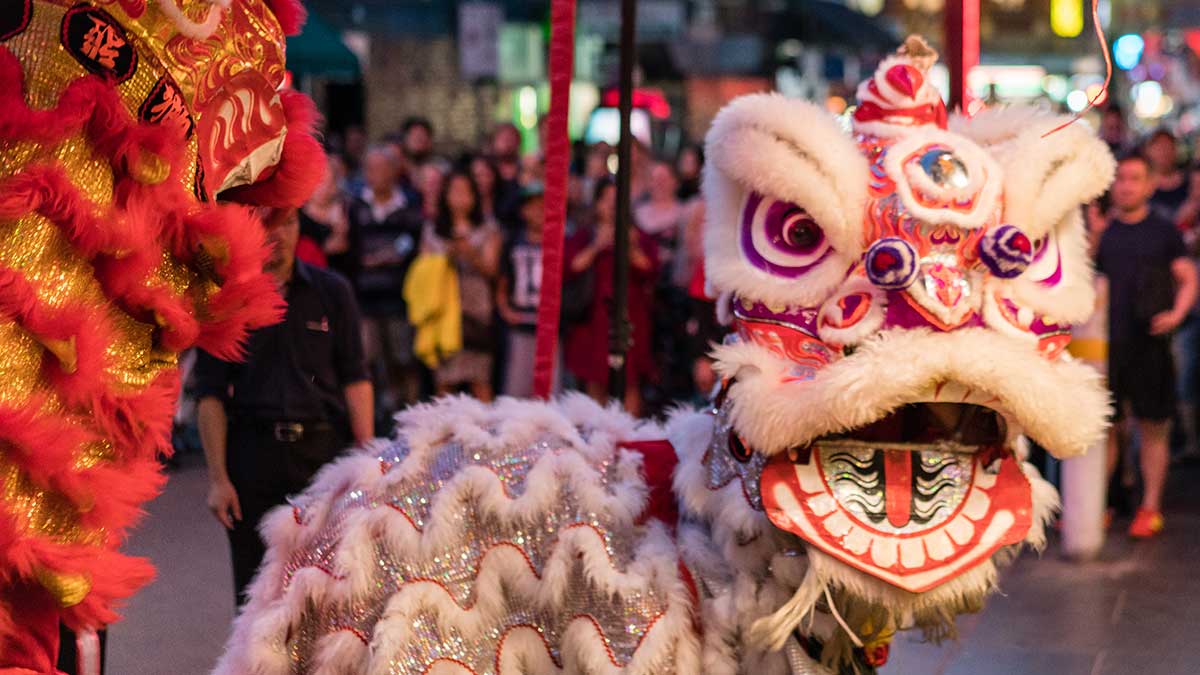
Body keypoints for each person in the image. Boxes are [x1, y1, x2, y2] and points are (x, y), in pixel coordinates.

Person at [197, 206, 373, 605]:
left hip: (321, 455)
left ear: (300, 227)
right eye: (267, 223)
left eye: (288, 222)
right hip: (252, 456)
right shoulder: (227, 298)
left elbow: (356, 377)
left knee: (322, 588)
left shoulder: (333, 292)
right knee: (254, 592)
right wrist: (218, 479)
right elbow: (210, 395)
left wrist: (365, 457)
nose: (279, 233)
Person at [1094, 152, 1199, 538]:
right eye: (1120, 178)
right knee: (1106, 428)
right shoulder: (1104, 231)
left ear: (1150, 184)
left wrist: (1176, 314)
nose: (1126, 185)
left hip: (1149, 343)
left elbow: (1188, 278)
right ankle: (1100, 504)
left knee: (1153, 427)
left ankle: (1150, 506)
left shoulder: (1164, 231)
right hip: (1107, 346)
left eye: (1135, 178)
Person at [564, 179, 658, 416]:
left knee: (630, 381)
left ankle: (629, 437)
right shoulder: (585, 235)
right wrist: (597, 245)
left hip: (629, 317)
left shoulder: (637, 236)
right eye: (606, 199)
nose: (611, 205)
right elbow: (571, 267)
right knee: (595, 380)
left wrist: (630, 246)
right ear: (596, 203)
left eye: (617, 200)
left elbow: (650, 269)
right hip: (593, 320)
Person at [348, 145, 425, 420]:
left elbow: (415, 242)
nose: (376, 174)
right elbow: (350, 247)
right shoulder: (355, 205)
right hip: (365, 297)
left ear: (394, 171)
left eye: (382, 168)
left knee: (404, 358)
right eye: (370, 168)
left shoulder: (410, 204)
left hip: (399, 297)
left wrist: (392, 255)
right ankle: (378, 416)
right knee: (368, 360)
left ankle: (410, 413)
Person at [422, 170, 502, 400]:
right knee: (444, 384)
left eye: (465, 192)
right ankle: (444, 434)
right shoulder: (433, 230)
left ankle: (484, 435)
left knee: (480, 381)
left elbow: (492, 270)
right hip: (443, 312)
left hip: (476, 311)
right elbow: (422, 270)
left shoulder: (488, 228)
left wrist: (469, 253)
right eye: (454, 191)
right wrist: (446, 257)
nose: (460, 197)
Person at [496, 184, 561, 396]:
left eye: (543, 206)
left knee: (551, 391)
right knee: (516, 388)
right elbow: (502, 281)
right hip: (520, 324)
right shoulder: (513, 241)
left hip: (551, 328)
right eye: (532, 207)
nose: (538, 212)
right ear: (523, 211)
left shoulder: (560, 242)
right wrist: (505, 309)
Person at [1145, 129, 1189, 219]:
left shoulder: (1190, 181)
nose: (1164, 152)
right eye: (1159, 147)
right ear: (1149, 151)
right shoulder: (1142, 185)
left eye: (1168, 146)